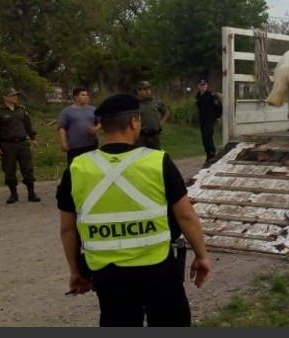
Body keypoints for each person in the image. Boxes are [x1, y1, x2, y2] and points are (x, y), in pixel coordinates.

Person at [56, 93, 213, 327]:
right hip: (156, 267)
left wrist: (75, 270)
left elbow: (67, 229)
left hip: (106, 272)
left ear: (102, 127)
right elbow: (185, 215)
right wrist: (202, 256)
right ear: (133, 122)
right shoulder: (158, 161)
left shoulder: (77, 168)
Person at [0, 87, 40, 203]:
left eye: (16, 95)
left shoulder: (22, 110)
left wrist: (33, 138)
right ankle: (13, 194)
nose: (15, 97)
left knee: (28, 168)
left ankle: (31, 193)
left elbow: (28, 126)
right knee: (9, 169)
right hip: (7, 145)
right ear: (5, 97)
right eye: (12, 95)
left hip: (22, 143)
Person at [58, 86, 101, 166]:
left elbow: (100, 122)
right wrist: (64, 142)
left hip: (91, 145)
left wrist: (96, 128)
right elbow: (62, 128)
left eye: (87, 95)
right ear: (76, 97)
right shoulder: (67, 111)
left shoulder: (93, 110)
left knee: (92, 167)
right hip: (74, 146)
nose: (86, 97)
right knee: (74, 168)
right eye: (83, 95)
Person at [135, 80, 169, 150]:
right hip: (141, 137)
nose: (148, 91)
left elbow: (166, 112)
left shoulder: (155, 102)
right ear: (138, 91)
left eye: (149, 89)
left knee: (156, 157)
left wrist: (160, 124)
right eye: (144, 89)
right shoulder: (134, 103)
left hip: (154, 136)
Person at [195, 79, 222, 162]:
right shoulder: (198, 96)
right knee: (204, 137)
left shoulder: (211, 95)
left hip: (210, 119)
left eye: (205, 85)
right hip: (202, 119)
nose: (203, 86)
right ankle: (208, 153)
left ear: (206, 86)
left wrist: (218, 116)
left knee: (208, 135)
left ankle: (212, 153)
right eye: (201, 85)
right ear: (198, 86)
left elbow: (218, 106)